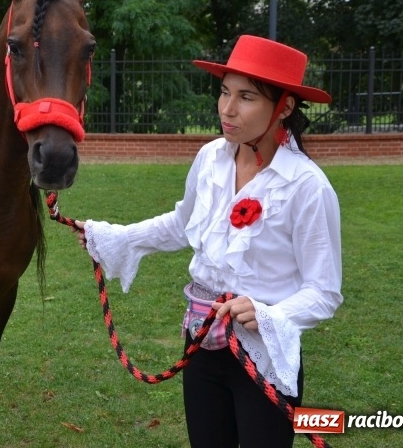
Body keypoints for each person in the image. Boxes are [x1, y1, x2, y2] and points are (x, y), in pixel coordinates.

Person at [73, 35, 342, 447]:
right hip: (201, 343)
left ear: (284, 106)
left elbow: (324, 292)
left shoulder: (307, 186)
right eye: (224, 92)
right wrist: (113, 237)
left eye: (246, 96)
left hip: (262, 357)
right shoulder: (211, 158)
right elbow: (182, 224)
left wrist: (268, 313)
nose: (227, 109)